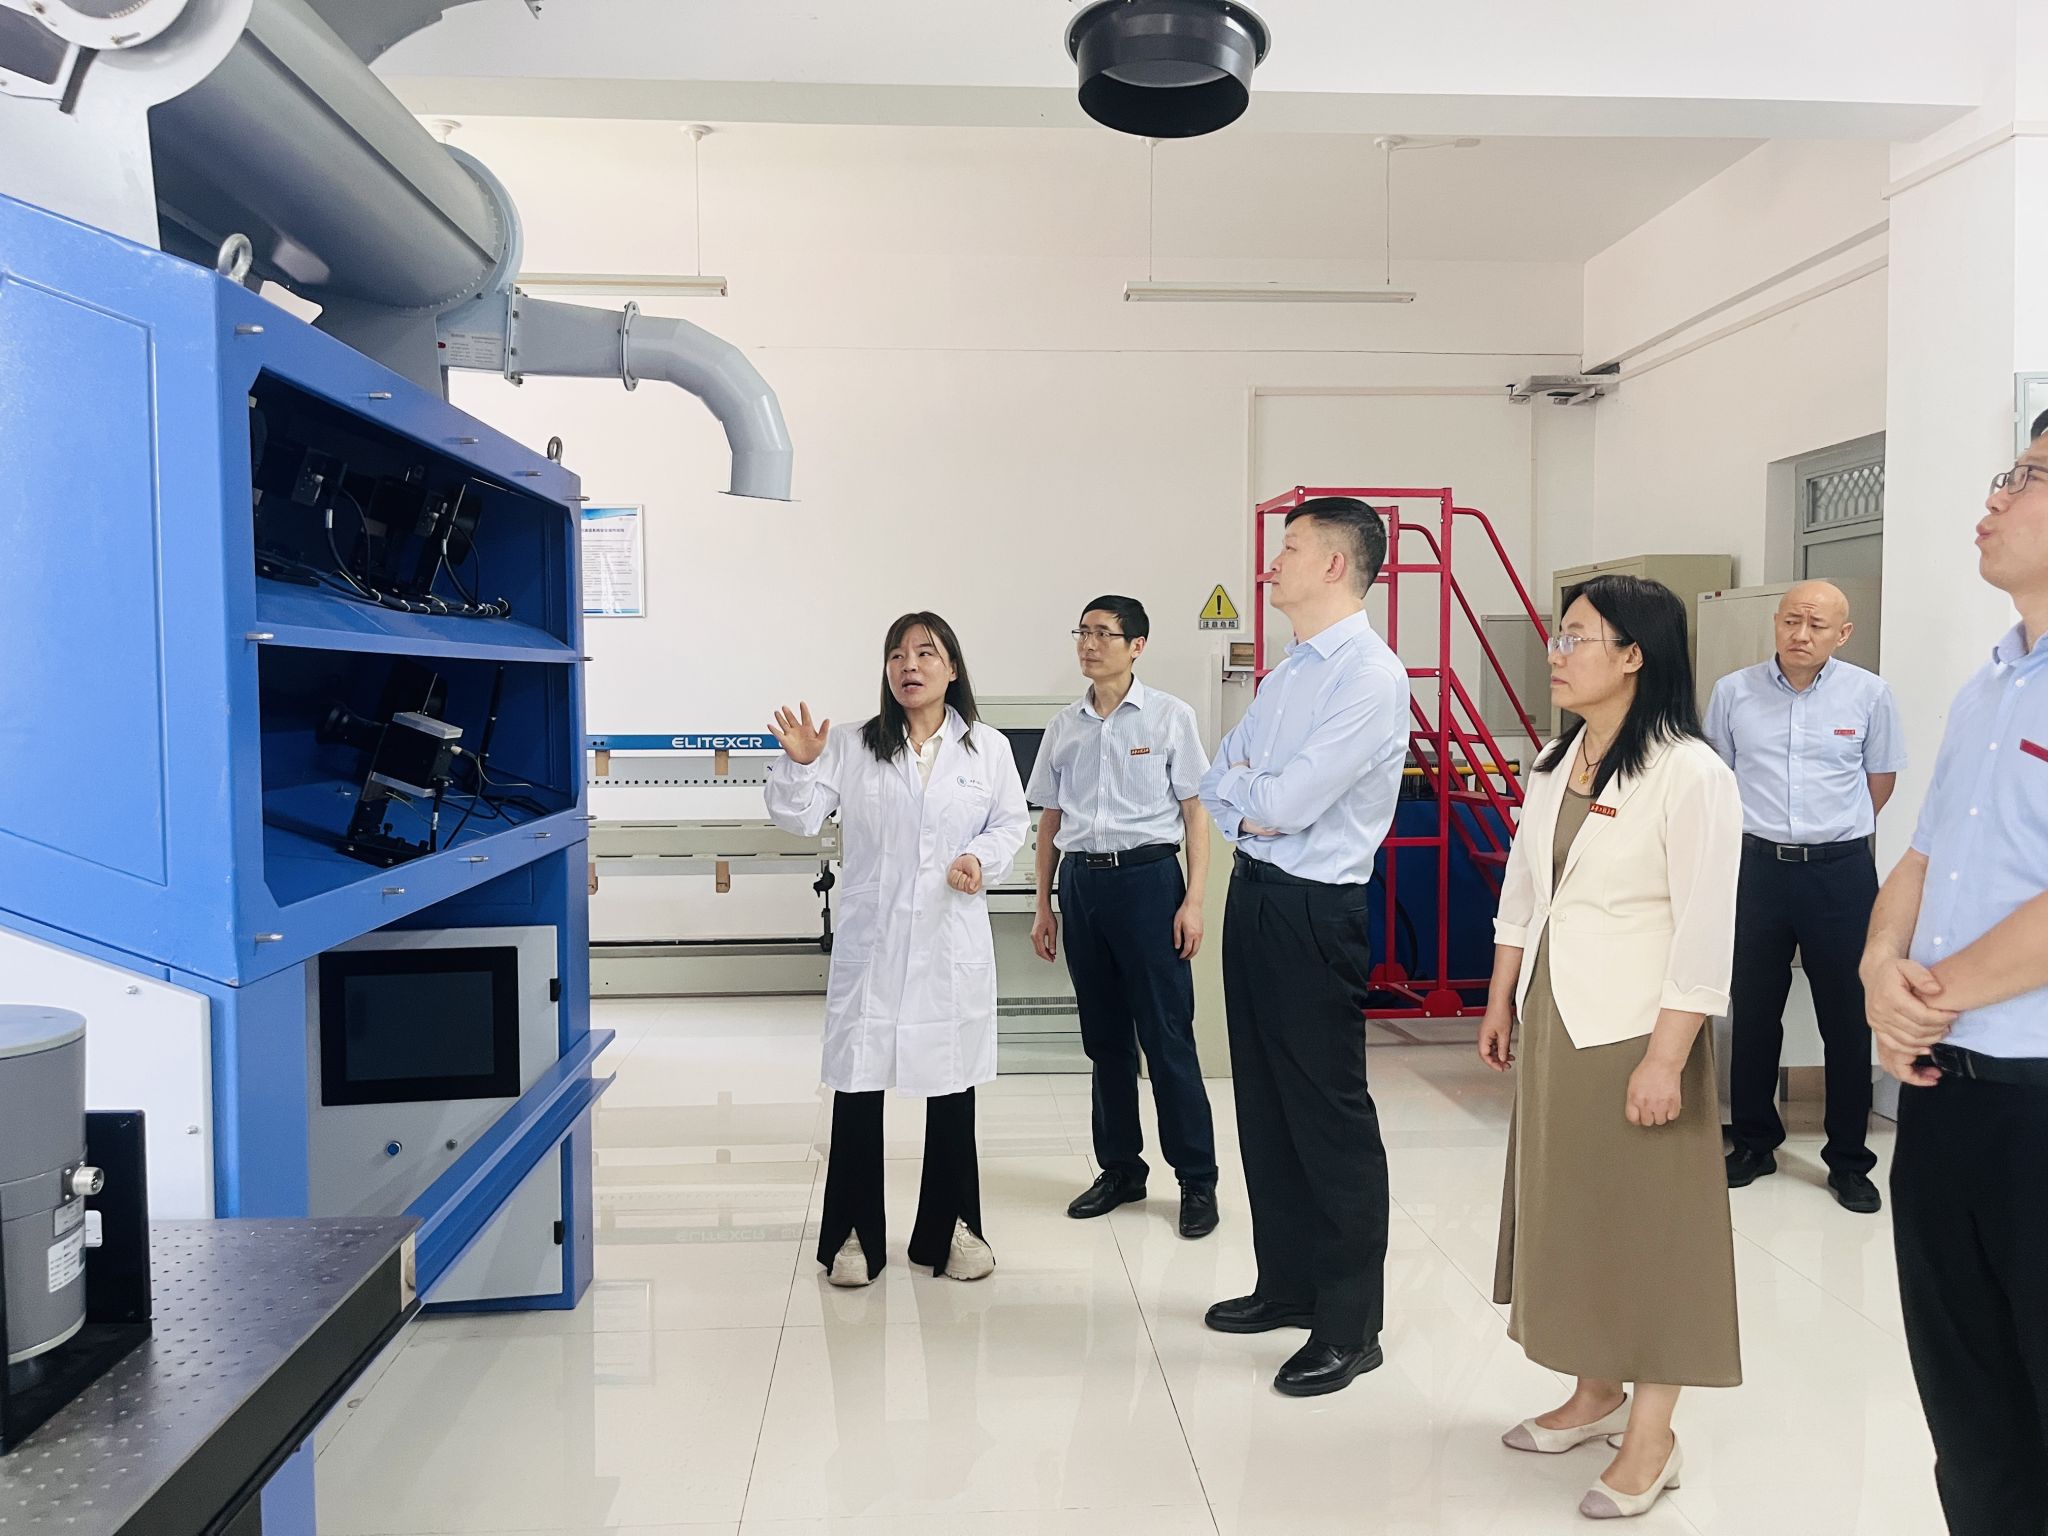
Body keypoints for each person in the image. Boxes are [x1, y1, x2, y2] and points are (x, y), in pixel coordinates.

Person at [1478, 575, 1743, 1522]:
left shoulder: (1690, 773)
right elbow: (1524, 891)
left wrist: (1668, 1059)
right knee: (1576, 1214)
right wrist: (1501, 997)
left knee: (1653, 1232)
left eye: (1577, 637)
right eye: (1560, 634)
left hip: (1637, 1030)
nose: (1557, 652)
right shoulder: (1559, 761)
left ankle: (1653, 1435)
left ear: (1635, 656)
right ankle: (1596, 1391)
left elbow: (1705, 929)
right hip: (1559, 1019)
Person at [1861, 428, 2048, 1535]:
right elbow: (1921, 856)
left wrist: (1927, 995)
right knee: (1970, 1411)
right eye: (2004, 475)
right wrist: (1878, 969)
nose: (1995, 500)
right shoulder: (1988, 686)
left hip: (2037, 1097)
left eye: (2027, 479)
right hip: (1943, 1097)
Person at [1197, 496, 1409, 1398]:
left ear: (1333, 564)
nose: (1270, 564)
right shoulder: (1289, 672)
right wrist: (1257, 797)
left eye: (1288, 548)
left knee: (1328, 1117)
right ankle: (1287, 1284)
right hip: (1256, 896)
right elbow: (1216, 782)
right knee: (1266, 1104)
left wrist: (1258, 796)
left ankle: (1350, 1326)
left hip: (1318, 911)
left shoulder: (1370, 676)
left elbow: (1284, 804)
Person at [766, 612, 1028, 1288]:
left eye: (925, 653)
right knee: (858, 1084)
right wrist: (800, 767)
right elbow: (797, 817)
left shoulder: (987, 748)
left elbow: (1010, 823)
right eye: (896, 655)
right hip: (875, 943)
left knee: (952, 1085)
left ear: (952, 668)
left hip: (948, 940)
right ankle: (853, 1235)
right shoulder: (853, 744)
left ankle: (954, 1228)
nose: (909, 665)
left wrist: (978, 857)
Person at [1704, 581, 1906, 1212]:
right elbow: (1716, 779)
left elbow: (1879, 781)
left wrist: (1829, 834)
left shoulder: (1870, 694)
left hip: (1839, 874)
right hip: (1756, 870)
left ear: (1842, 635)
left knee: (1846, 1017)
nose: (1801, 634)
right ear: (1776, 622)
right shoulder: (1733, 692)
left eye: (1817, 625)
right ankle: (1755, 1142)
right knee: (1753, 1011)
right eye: (1791, 621)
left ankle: (1848, 1159)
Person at [1027, 595, 1220, 1238]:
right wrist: (1044, 903)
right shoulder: (1064, 726)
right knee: (1104, 1038)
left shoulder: (1170, 717)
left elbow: (1195, 811)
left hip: (1149, 884)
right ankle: (1120, 1170)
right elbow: (1050, 819)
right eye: (1082, 632)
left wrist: (1194, 900)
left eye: (1103, 634)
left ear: (1137, 646)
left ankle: (1196, 1179)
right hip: (1084, 887)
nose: (1088, 644)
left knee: (1167, 1035)